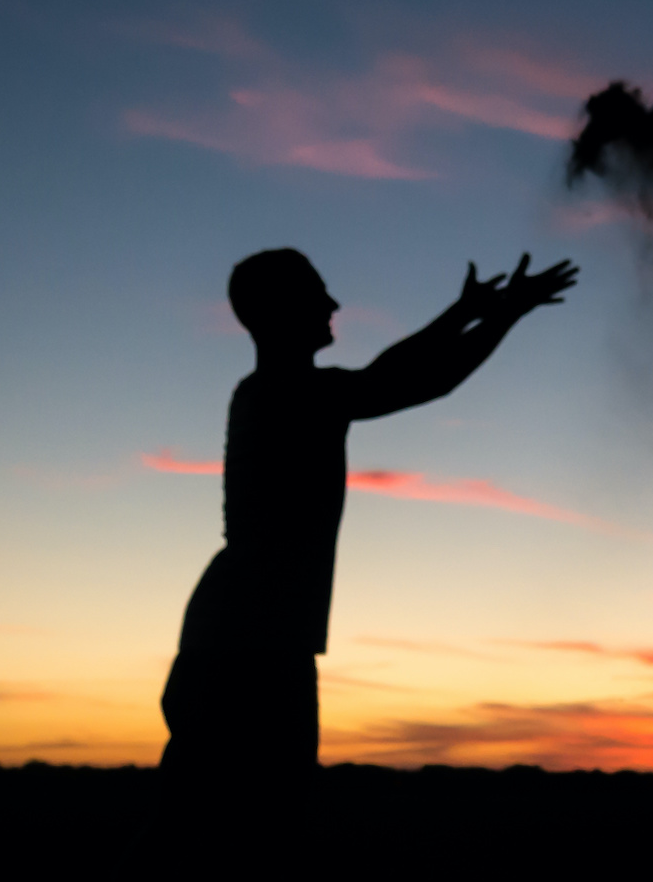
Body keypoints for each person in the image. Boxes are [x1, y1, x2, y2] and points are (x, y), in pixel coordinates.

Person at [159, 248, 577, 805]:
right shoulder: (294, 394)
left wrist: (463, 314)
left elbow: (387, 371)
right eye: (316, 294)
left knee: (210, 823)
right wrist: (505, 313)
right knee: (237, 824)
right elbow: (418, 380)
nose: (332, 303)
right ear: (282, 310)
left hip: (243, 634)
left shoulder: (278, 390)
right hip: (252, 646)